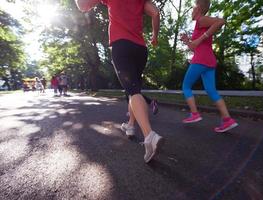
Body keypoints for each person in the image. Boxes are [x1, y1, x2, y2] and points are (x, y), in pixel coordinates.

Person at [75, 0, 164, 163]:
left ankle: (149, 136)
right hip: (140, 50)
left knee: (133, 91)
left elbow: (82, 6)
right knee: (133, 89)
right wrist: (155, 36)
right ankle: (130, 126)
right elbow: (156, 13)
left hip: (121, 46)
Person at [180, 0, 238, 133]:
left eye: (193, 8)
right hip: (209, 60)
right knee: (211, 90)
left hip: (200, 60)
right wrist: (187, 41)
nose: (192, 10)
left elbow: (221, 21)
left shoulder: (201, 20)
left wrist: (199, 39)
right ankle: (227, 120)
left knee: (186, 86)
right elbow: (195, 47)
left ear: (199, 8)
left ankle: (194, 114)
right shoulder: (199, 23)